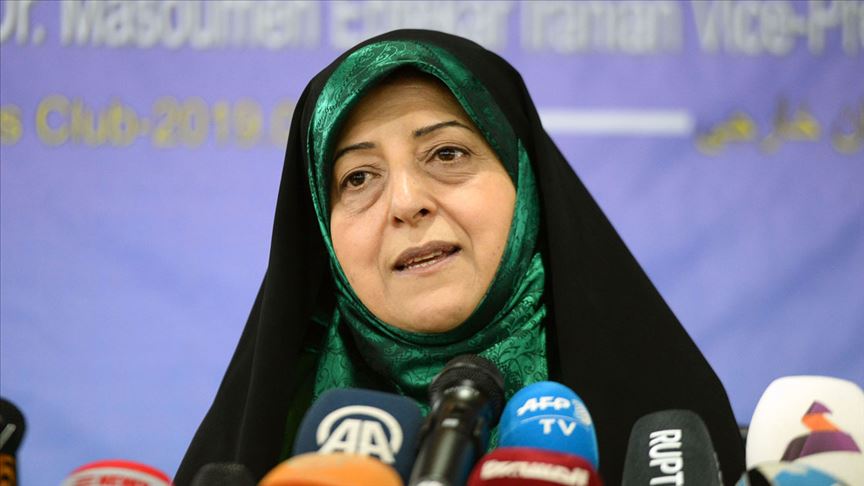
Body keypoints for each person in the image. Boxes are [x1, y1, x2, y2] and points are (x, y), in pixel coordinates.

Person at [175, 30, 745, 485]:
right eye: (359, 177)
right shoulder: (258, 450)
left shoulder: (670, 445)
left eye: (446, 153)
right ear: (322, 233)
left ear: (527, 185)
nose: (406, 203)